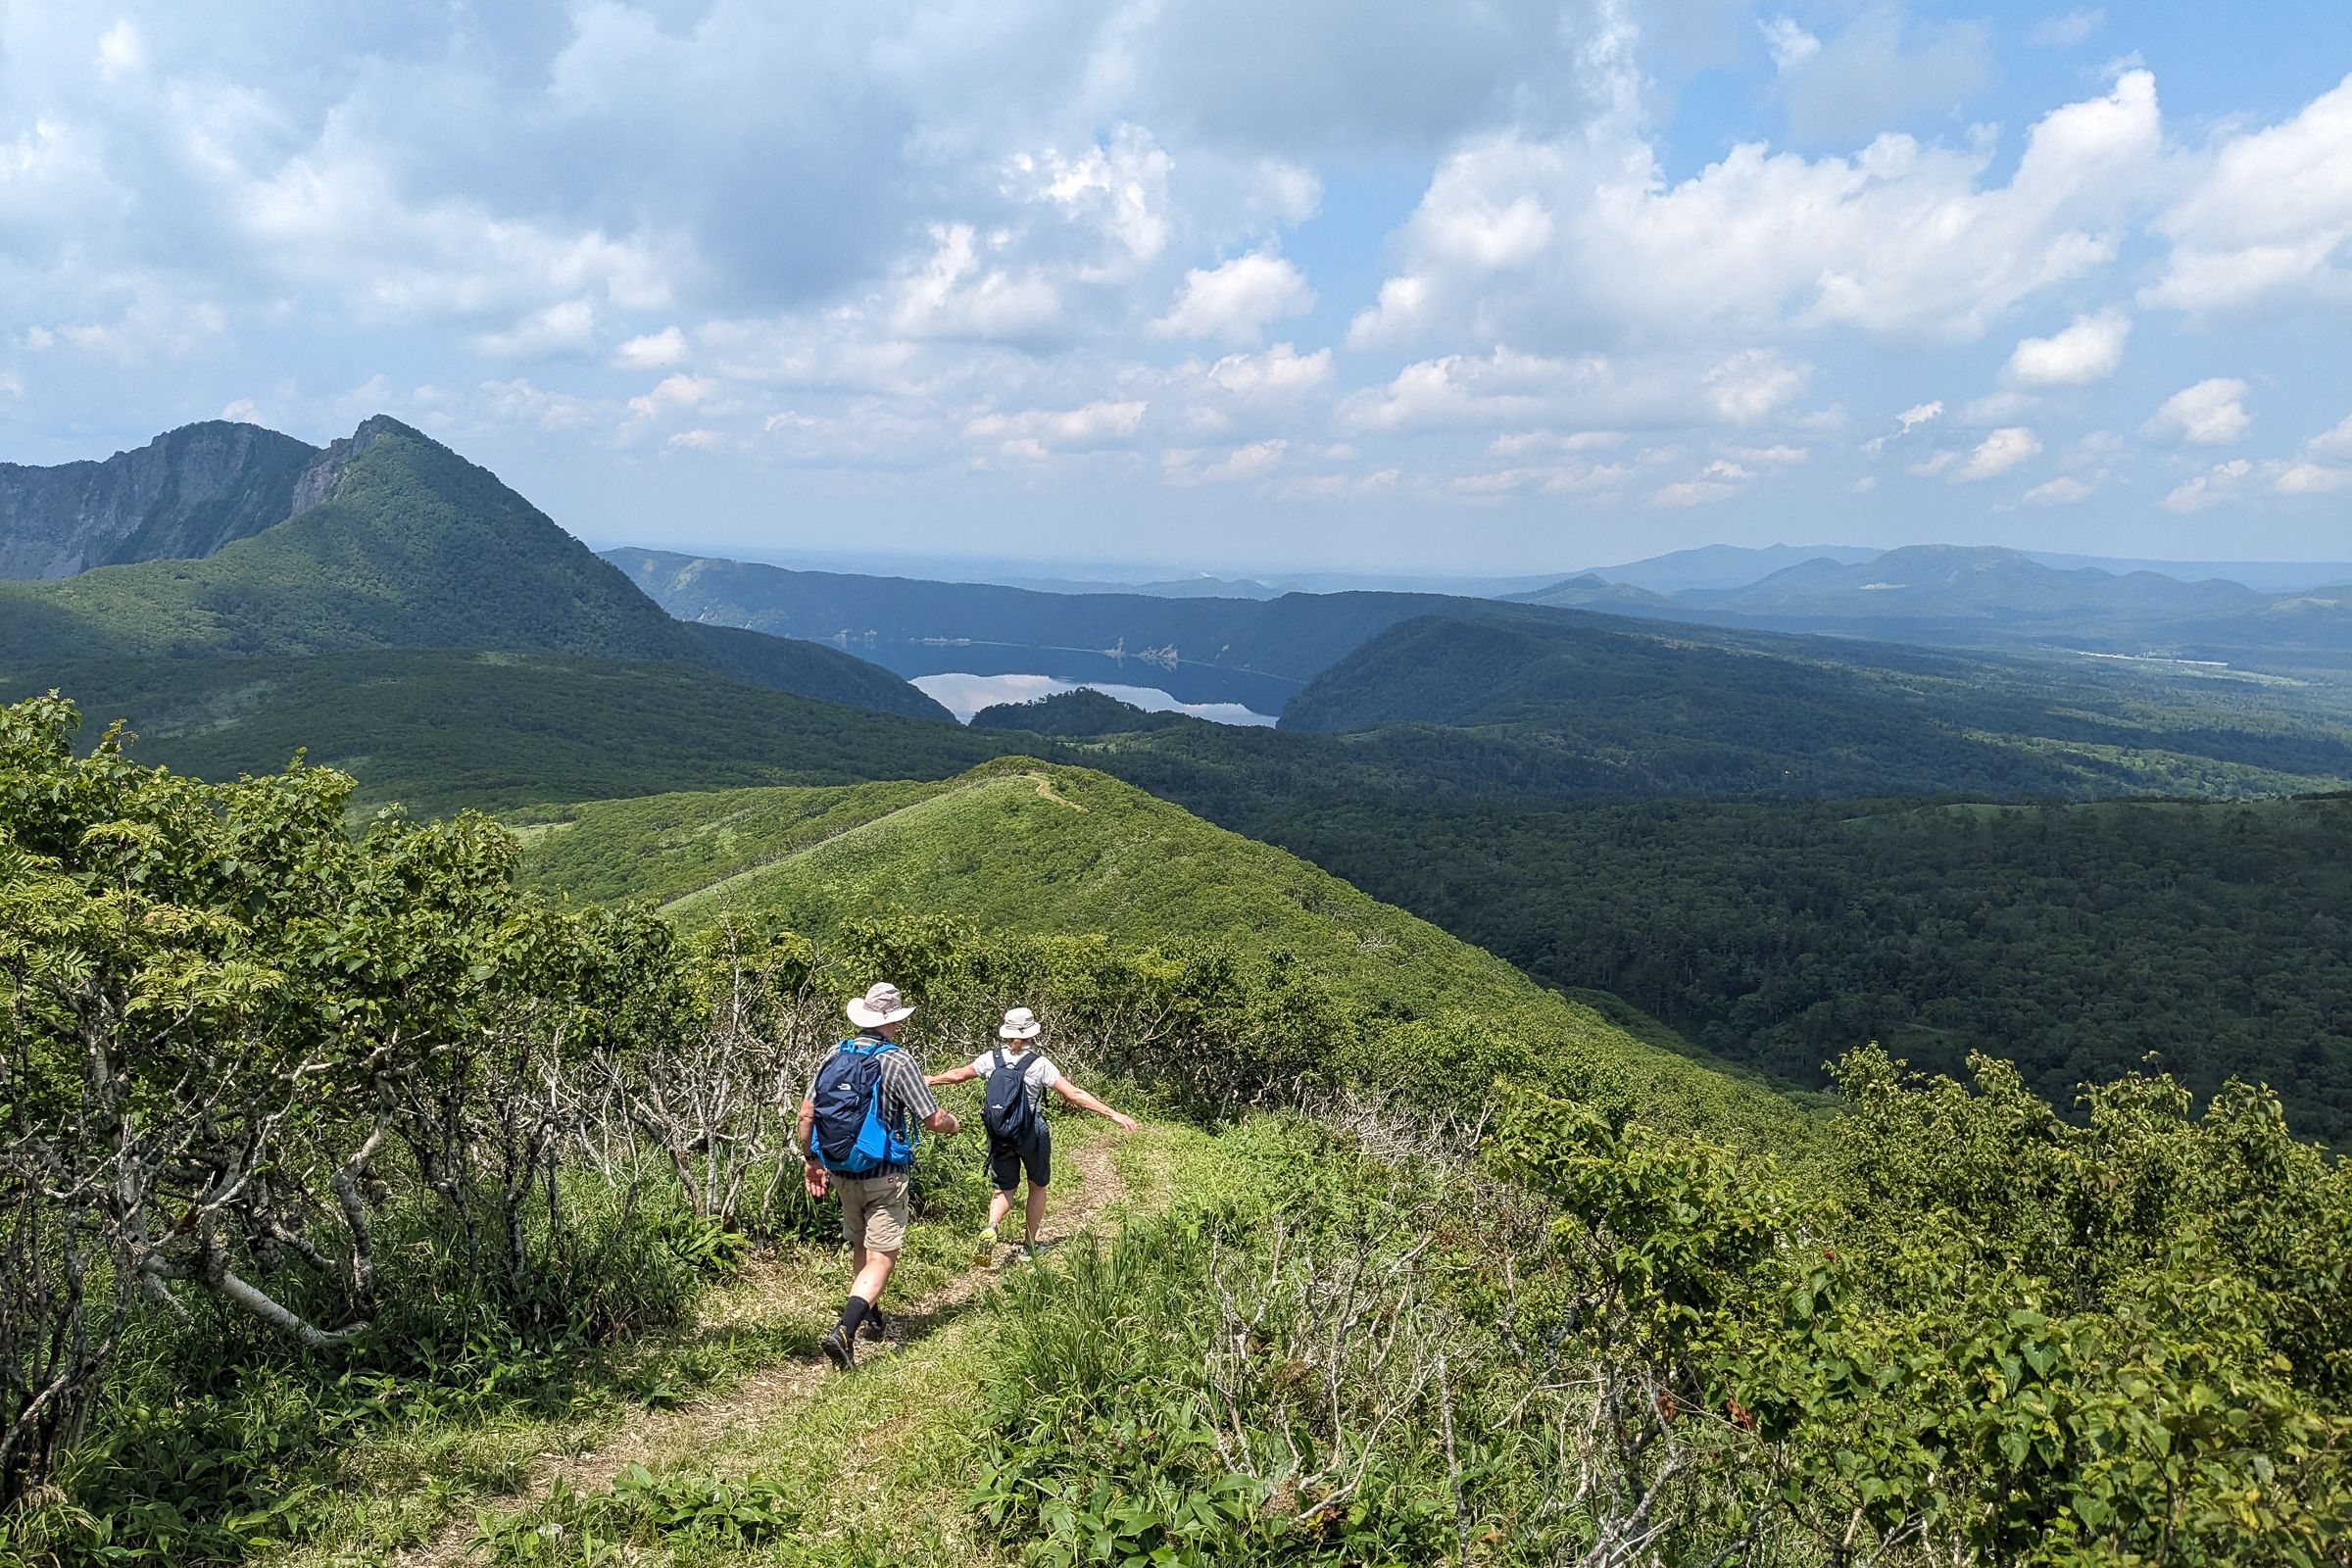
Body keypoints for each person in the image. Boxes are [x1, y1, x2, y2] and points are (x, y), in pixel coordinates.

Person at [799, 981, 959, 1370]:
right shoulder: (899, 1061)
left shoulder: (834, 1053)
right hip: (885, 1173)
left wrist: (811, 1159)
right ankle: (845, 1329)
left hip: (840, 1170)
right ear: (893, 1022)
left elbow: (806, 1113)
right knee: (884, 1255)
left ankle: (871, 1316)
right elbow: (932, 1119)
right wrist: (953, 1124)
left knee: (861, 1244)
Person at [925, 1005, 1137, 1262]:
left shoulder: (990, 1059)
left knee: (1003, 1188)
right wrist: (1113, 1113)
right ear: (1031, 1034)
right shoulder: (1039, 1064)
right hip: (1030, 1131)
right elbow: (1073, 1095)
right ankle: (1029, 1246)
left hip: (999, 1131)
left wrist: (930, 1079)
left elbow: (959, 1075)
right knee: (1037, 1186)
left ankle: (992, 1226)